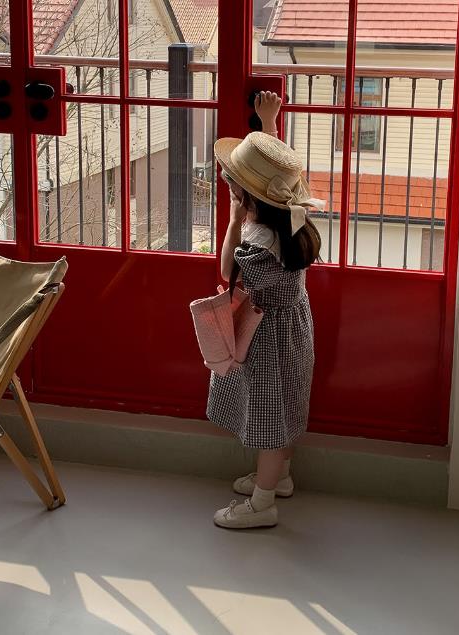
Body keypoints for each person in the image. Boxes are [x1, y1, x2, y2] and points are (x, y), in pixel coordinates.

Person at [208, 91, 323, 529]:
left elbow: (225, 271)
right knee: (286, 408)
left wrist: (233, 221)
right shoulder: (293, 220)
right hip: (294, 329)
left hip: (267, 338)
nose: (228, 185)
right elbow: (276, 170)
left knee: (269, 419)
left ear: (246, 198)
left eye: (232, 184)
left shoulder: (257, 242)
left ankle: (262, 503)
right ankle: (280, 478)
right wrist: (268, 124)